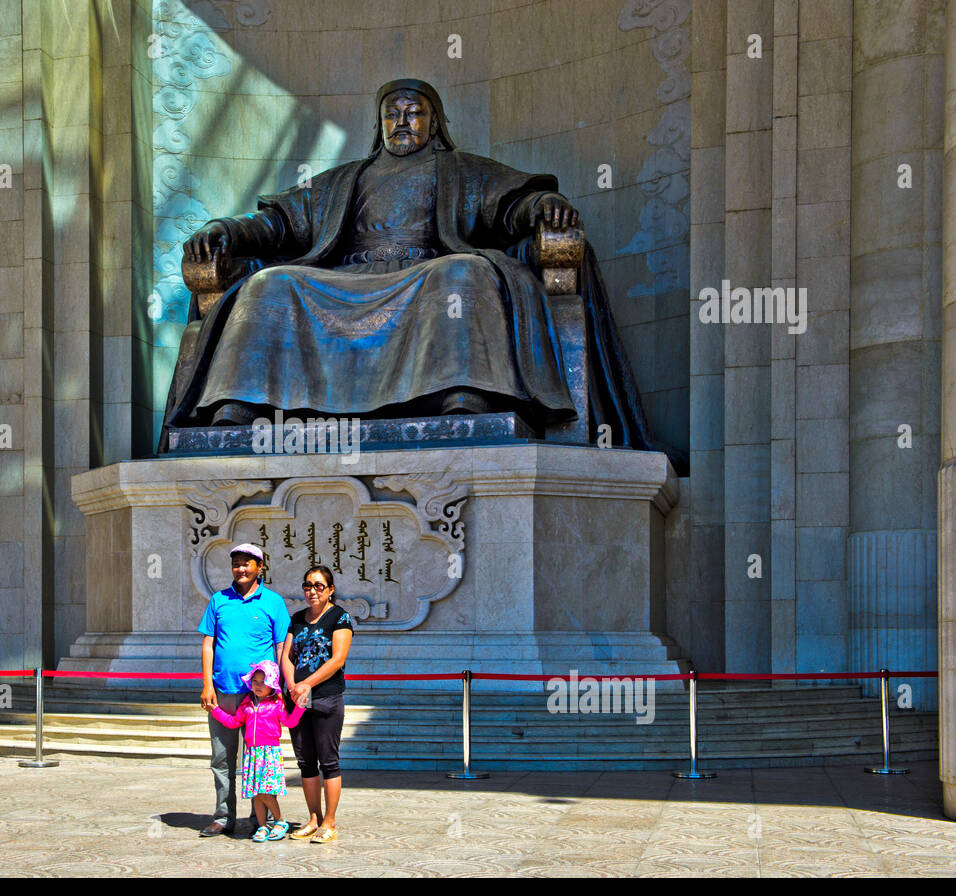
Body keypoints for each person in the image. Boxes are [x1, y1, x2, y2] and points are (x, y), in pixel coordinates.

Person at [161, 77, 679, 478]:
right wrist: (227, 228)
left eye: (415, 113)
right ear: (380, 123)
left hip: (428, 273)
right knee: (268, 285)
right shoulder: (344, 181)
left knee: (464, 274)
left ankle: (462, 397)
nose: (403, 121)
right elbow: (278, 225)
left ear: (434, 122)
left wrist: (544, 204)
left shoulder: (462, 170)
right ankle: (239, 406)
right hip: (344, 278)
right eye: (394, 113)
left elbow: (512, 206)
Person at [197, 542, 290, 837]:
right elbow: (208, 643)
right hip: (223, 691)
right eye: (236, 563)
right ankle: (224, 816)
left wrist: (283, 687)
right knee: (222, 758)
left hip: (260, 697)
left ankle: (258, 818)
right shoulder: (218, 601)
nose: (240, 568)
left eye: (246, 563)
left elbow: (281, 646)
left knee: (258, 759)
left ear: (259, 568)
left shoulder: (273, 602)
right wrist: (207, 684)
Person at [281, 565, 353, 844]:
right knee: (305, 762)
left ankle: (330, 822)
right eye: (308, 585)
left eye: (319, 586)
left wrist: (308, 684)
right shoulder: (297, 618)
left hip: (326, 697)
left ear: (330, 589)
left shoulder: (339, 617)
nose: (312, 591)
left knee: (329, 761)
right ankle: (313, 818)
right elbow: (287, 656)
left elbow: (338, 660)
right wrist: (292, 685)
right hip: (297, 700)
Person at [208, 661, 306, 843]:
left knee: (265, 792)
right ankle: (262, 826)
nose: (258, 685)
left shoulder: (276, 704)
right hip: (252, 754)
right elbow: (233, 722)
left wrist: (300, 707)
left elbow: (289, 722)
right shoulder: (246, 705)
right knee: (256, 793)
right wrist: (216, 712)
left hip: (269, 753)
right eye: (255, 681)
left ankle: (279, 820)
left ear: (272, 685)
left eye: (263, 681)